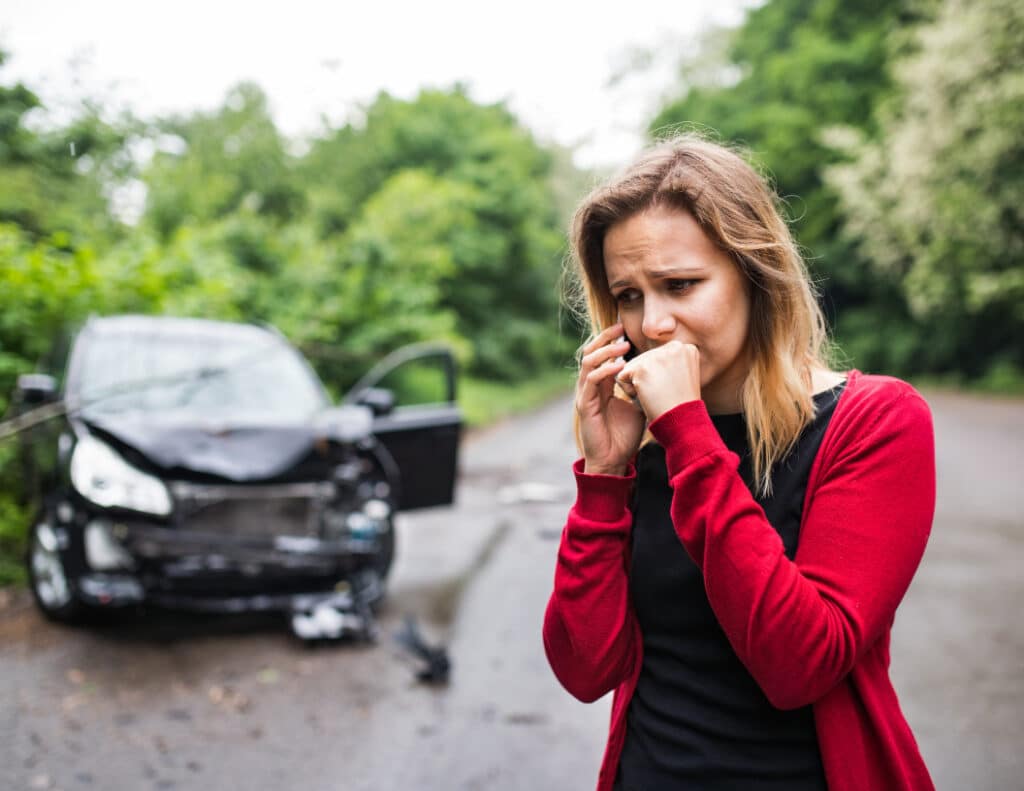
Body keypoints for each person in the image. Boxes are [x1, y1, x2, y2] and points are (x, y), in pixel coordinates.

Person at [542, 135, 936, 791]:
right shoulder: (640, 440)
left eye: (680, 285)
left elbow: (799, 664)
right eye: (630, 296)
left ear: (757, 274)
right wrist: (605, 479)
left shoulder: (875, 421)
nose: (653, 323)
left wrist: (689, 436)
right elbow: (584, 668)